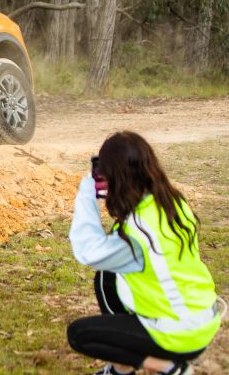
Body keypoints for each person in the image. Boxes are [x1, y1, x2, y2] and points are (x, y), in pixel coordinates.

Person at [67, 131, 221, 375]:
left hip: (181, 333)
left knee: (80, 334)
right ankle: (121, 368)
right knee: (107, 276)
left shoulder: (139, 231)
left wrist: (86, 193)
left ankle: (171, 368)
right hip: (202, 317)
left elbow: (88, 251)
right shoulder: (170, 202)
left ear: (115, 177)